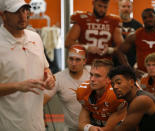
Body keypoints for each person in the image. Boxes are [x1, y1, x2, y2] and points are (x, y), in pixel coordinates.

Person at [0, 0, 55, 131]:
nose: (23, 16)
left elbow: (45, 68)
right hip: (9, 125)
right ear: (3, 15)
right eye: (16, 12)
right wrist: (18, 86)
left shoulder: (35, 37)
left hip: (37, 125)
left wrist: (49, 78)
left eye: (25, 10)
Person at [108, 65, 155, 131]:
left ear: (131, 82)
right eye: (112, 84)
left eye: (118, 83)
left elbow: (123, 129)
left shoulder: (141, 100)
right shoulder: (135, 99)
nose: (115, 87)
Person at [44, 45, 90, 131]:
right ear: (67, 59)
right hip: (71, 128)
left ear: (84, 61)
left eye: (77, 60)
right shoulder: (58, 78)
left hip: (93, 127)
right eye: (71, 59)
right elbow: (42, 101)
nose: (73, 63)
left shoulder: (92, 74)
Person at [65, 0, 124, 65]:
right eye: (100, 6)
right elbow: (68, 43)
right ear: (93, 3)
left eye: (105, 7)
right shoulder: (82, 18)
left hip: (105, 64)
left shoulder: (114, 21)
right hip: (84, 64)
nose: (102, 10)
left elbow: (122, 47)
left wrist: (109, 50)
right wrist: (87, 48)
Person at [76, 59, 127, 131]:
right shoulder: (83, 91)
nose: (92, 79)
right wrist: (89, 128)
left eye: (97, 76)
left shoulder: (116, 94)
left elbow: (109, 128)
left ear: (109, 79)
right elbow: (81, 124)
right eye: (91, 74)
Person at [113, 0, 142, 67]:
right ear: (119, 8)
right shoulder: (113, 24)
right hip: (115, 62)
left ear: (131, 9)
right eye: (123, 6)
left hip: (133, 63)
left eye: (129, 7)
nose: (126, 9)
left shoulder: (138, 26)